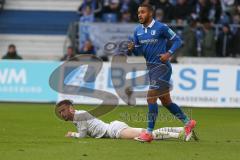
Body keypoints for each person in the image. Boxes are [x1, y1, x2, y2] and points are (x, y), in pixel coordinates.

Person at [128, 4, 196, 142]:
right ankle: (188, 123)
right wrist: (132, 49)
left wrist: (168, 53)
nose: (139, 15)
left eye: (142, 12)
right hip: (152, 69)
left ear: (150, 13)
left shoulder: (161, 27)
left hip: (162, 67)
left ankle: (148, 133)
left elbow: (177, 40)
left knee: (150, 98)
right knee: (166, 101)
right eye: (138, 12)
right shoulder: (137, 31)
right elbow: (139, 52)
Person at [55, 100, 197, 141]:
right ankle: (181, 129)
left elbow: (83, 135)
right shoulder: (77, 116)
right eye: (60, 112)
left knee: (148, 135)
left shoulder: (80, 116)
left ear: (71, 109)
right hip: (113, 128)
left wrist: (72, 134)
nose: (61, 114)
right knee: (147, 133)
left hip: (114, 131)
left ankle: (181, 134)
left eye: (63, 110)